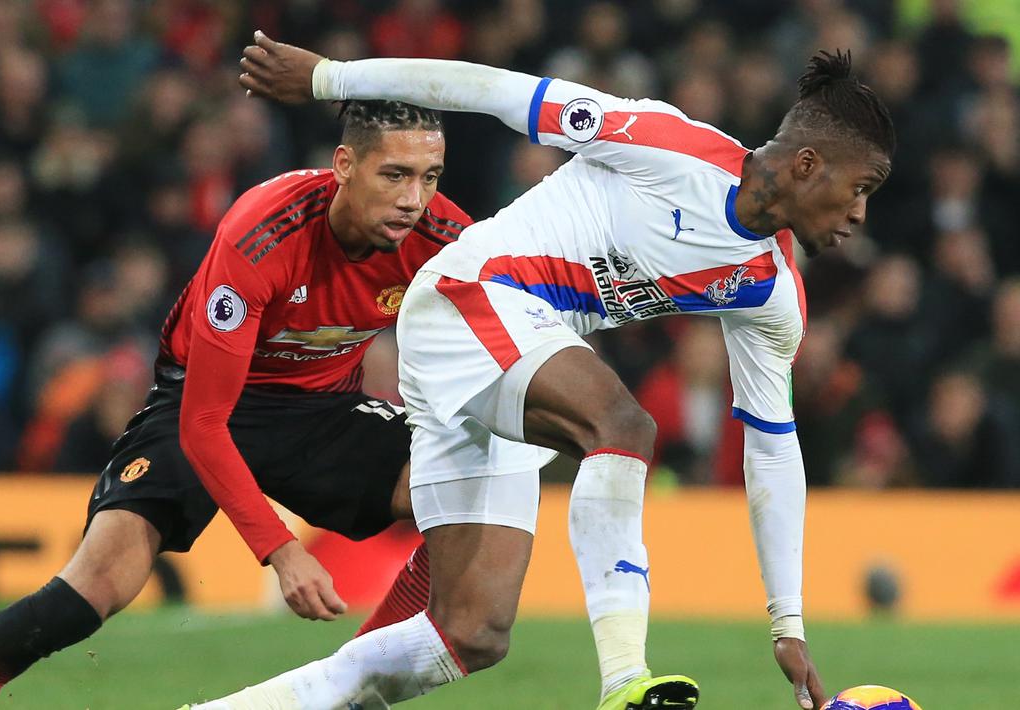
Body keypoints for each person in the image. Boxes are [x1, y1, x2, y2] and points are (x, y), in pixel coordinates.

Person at [197, 33, 894, 710]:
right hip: (466, 298)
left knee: (470, 634)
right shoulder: (665, 144)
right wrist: (331, 80)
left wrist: (787, 623)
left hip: (510, 360)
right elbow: (496, 90)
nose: (860, 214)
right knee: (621, 425)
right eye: (860, 187)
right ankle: (625, 678)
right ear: (806, 165)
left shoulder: (770, 291)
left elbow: (772, 450)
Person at [0, 99, 472, 710]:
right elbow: (203, 421)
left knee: (460, 483)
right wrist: (281, 550)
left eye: (429, 178)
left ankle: (344, 691)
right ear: (344, 165)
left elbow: (528, 286)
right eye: (395, 175)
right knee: (89, 593)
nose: (414, 199)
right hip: (205, 399)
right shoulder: (262, 233)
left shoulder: (443, 235)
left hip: (322, 410)